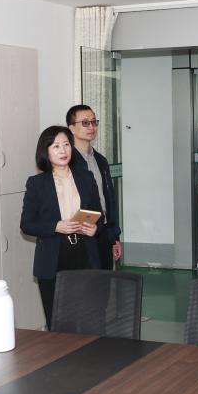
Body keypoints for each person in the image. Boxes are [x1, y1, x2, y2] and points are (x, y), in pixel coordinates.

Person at [21, 125, 103, 328]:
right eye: (56, 146)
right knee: (59, 323)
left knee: (90, 318)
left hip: (84, 253)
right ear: (46, 151)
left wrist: (96, 229)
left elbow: (99, 215)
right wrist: (56, 226)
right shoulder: (36, 183)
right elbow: (27, 224)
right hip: (54, 257)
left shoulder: (86, 178)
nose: (63, 150)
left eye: (66, 144)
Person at [66, 104, 122, 270]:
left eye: (94, 122)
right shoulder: (67, 162)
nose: (91, 127)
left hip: (102, 232)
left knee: (104, 281)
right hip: (81, 235)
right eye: (85, 123)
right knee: (85, 283)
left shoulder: (101, 160)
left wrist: (114, 237)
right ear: (71, 128)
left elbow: (109, 200)